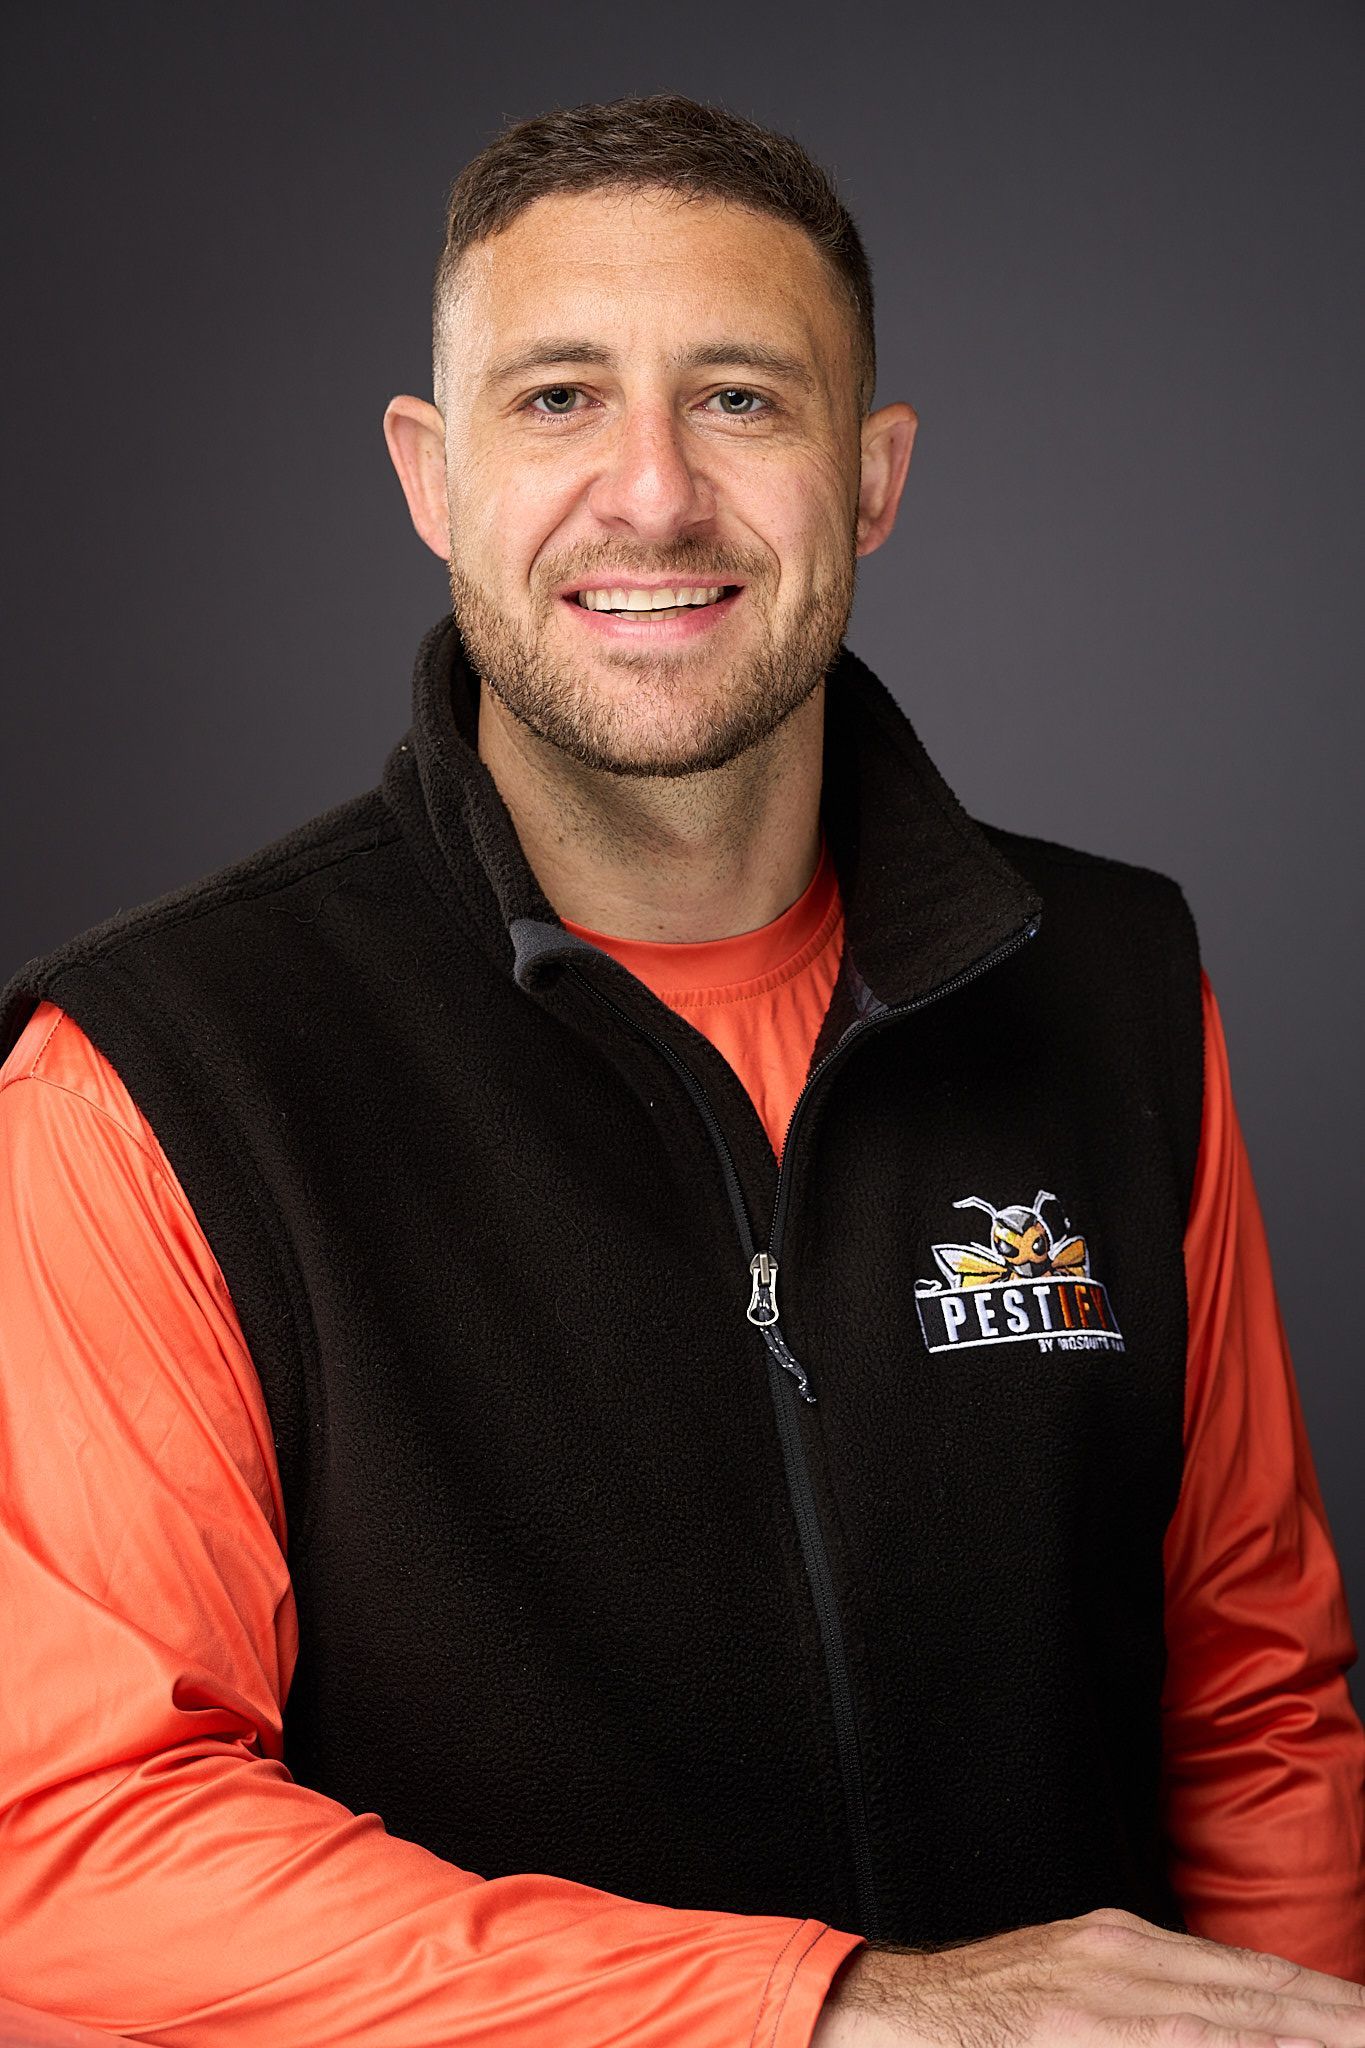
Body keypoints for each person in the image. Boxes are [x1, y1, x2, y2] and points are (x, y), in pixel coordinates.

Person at [0, 92, 1361, 2048]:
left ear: (870, 475)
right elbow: (77, 1850)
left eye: (740, 399)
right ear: (428, 473)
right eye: (556, 398)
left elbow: (1245, 1701)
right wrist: (832, 2012)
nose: (650, 494)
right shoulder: (154, 1071)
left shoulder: (1116, 981)